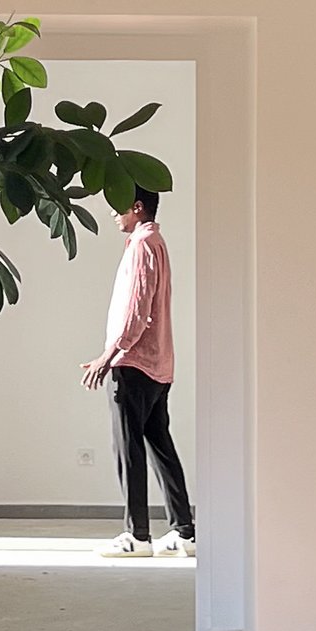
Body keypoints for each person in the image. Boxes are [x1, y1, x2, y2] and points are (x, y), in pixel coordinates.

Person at [83, 187, 194, 559]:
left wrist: (108, 355)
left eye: (118, 207)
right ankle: (185, 533)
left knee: (127, 448)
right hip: (158, 364)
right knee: (160, 446)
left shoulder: (143, 244)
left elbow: (137, 309)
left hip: (134, 363)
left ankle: (137, 536)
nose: (114, 214)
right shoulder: (154, 242)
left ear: (137, 207)